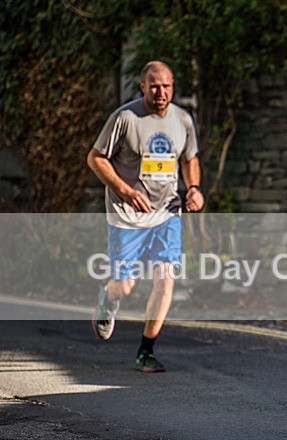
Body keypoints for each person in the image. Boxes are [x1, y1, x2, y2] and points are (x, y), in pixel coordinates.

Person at [87, 60, 203, 373]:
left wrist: (194, 188)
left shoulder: (182, 120)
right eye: (154, 87)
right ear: (142, 87)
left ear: (173, 86)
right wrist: (125, 191)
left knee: (165, 279)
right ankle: (108, 297)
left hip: (166, 212)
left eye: (166, 86)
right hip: (127, 215)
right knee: (125, 286)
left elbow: (189, 158)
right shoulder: (125, 118)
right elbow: (96, 158)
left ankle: (145, 351)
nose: (160, 92)